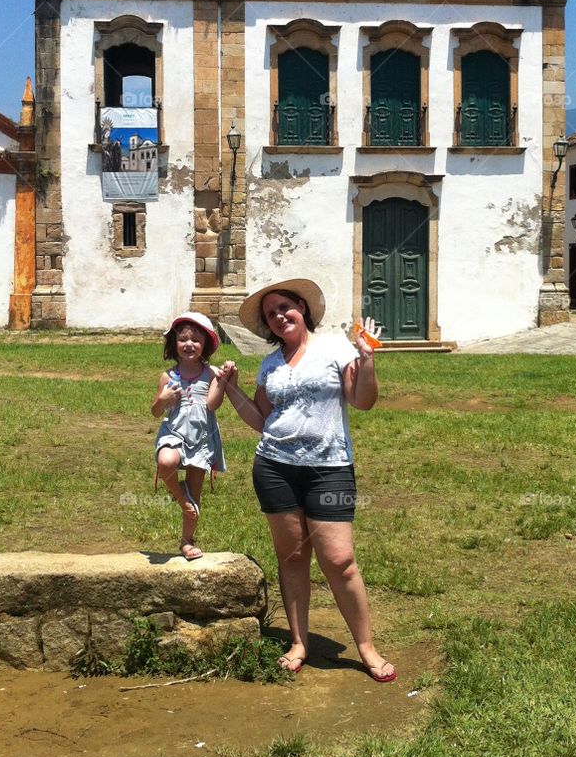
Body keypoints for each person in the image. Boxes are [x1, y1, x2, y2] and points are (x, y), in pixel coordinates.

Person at [218, 279, 395, 683]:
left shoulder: (336, 347)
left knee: (340, 561)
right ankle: (299, 643)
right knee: (293, 557)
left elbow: (362, 401)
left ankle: (366, 648)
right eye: (270, 315)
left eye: (284, 308)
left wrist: (367, 359)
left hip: (329, 468)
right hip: (275, 467)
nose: (279, 317)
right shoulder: (271, 364)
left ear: (302, 307)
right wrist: (231, 390)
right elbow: (262, 420)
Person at [152, 312, 227, 561]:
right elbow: (155, 411)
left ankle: (187, 540)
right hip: (173, 434)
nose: (189, 344)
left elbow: (213, 405)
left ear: (205, 344)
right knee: (166, 462)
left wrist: (223, 381)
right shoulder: (168, 377)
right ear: (174, 343)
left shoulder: (211, 374)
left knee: (196, 496)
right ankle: (180, 496)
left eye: (196, 340)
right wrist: (162, 400)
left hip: (202, 438)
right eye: (183, 339)